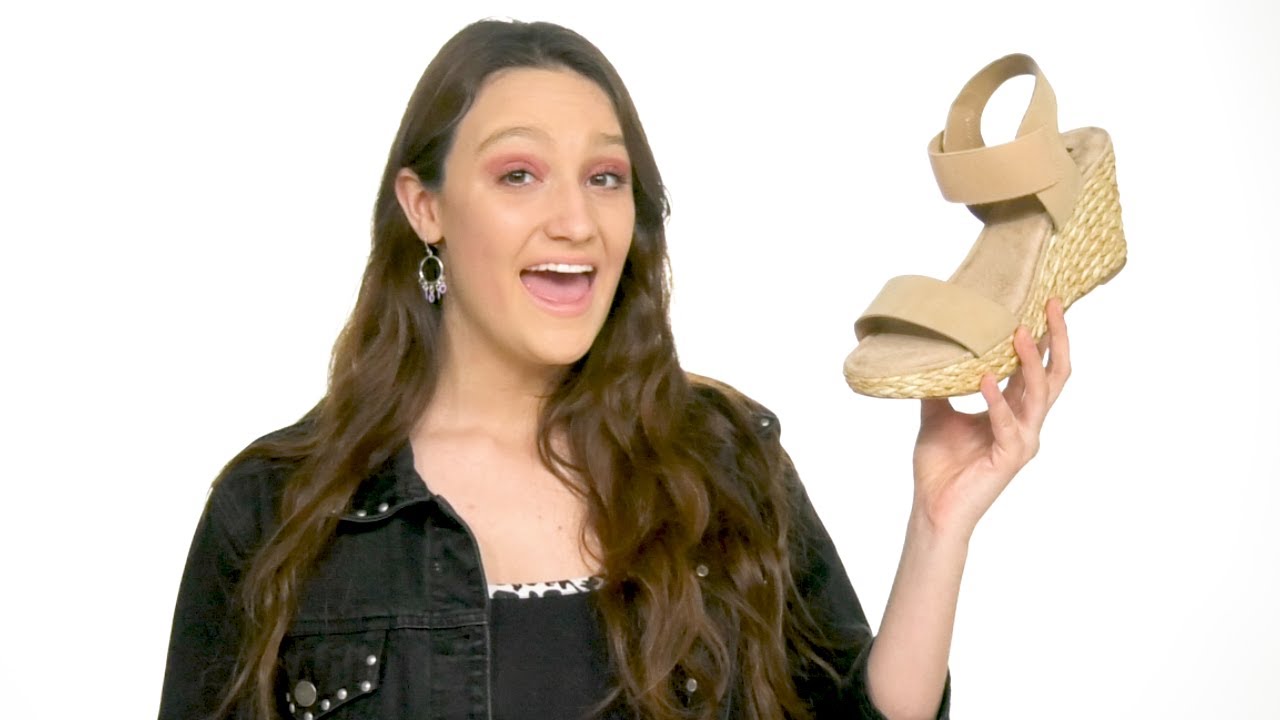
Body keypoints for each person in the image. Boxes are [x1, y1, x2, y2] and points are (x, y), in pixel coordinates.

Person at [158, 18, 1071, 720]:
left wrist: (939, 523)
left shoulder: (725, 464)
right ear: (424, 206)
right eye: (519, 175)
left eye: (605, 178)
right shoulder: (275, 508)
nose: (576, 222)